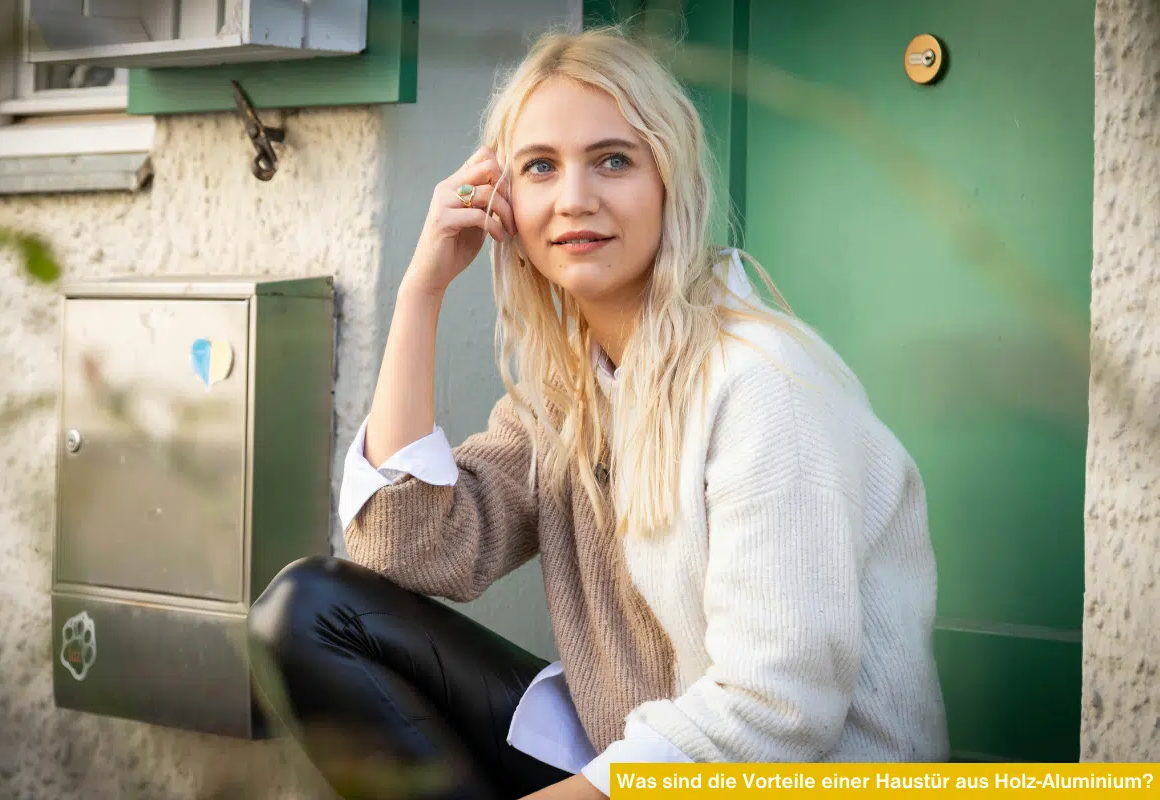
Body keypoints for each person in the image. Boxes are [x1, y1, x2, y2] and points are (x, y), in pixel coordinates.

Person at [247, 24, 950, 800]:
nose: (574, 200)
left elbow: (774, 711)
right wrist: (422, 291)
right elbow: (404, 550)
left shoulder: (763, 387)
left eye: (612, 160)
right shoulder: (574, 388)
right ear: (502, 201)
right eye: (540, 168)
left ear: (668, 182)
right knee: (311, 611)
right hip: (639, 758)